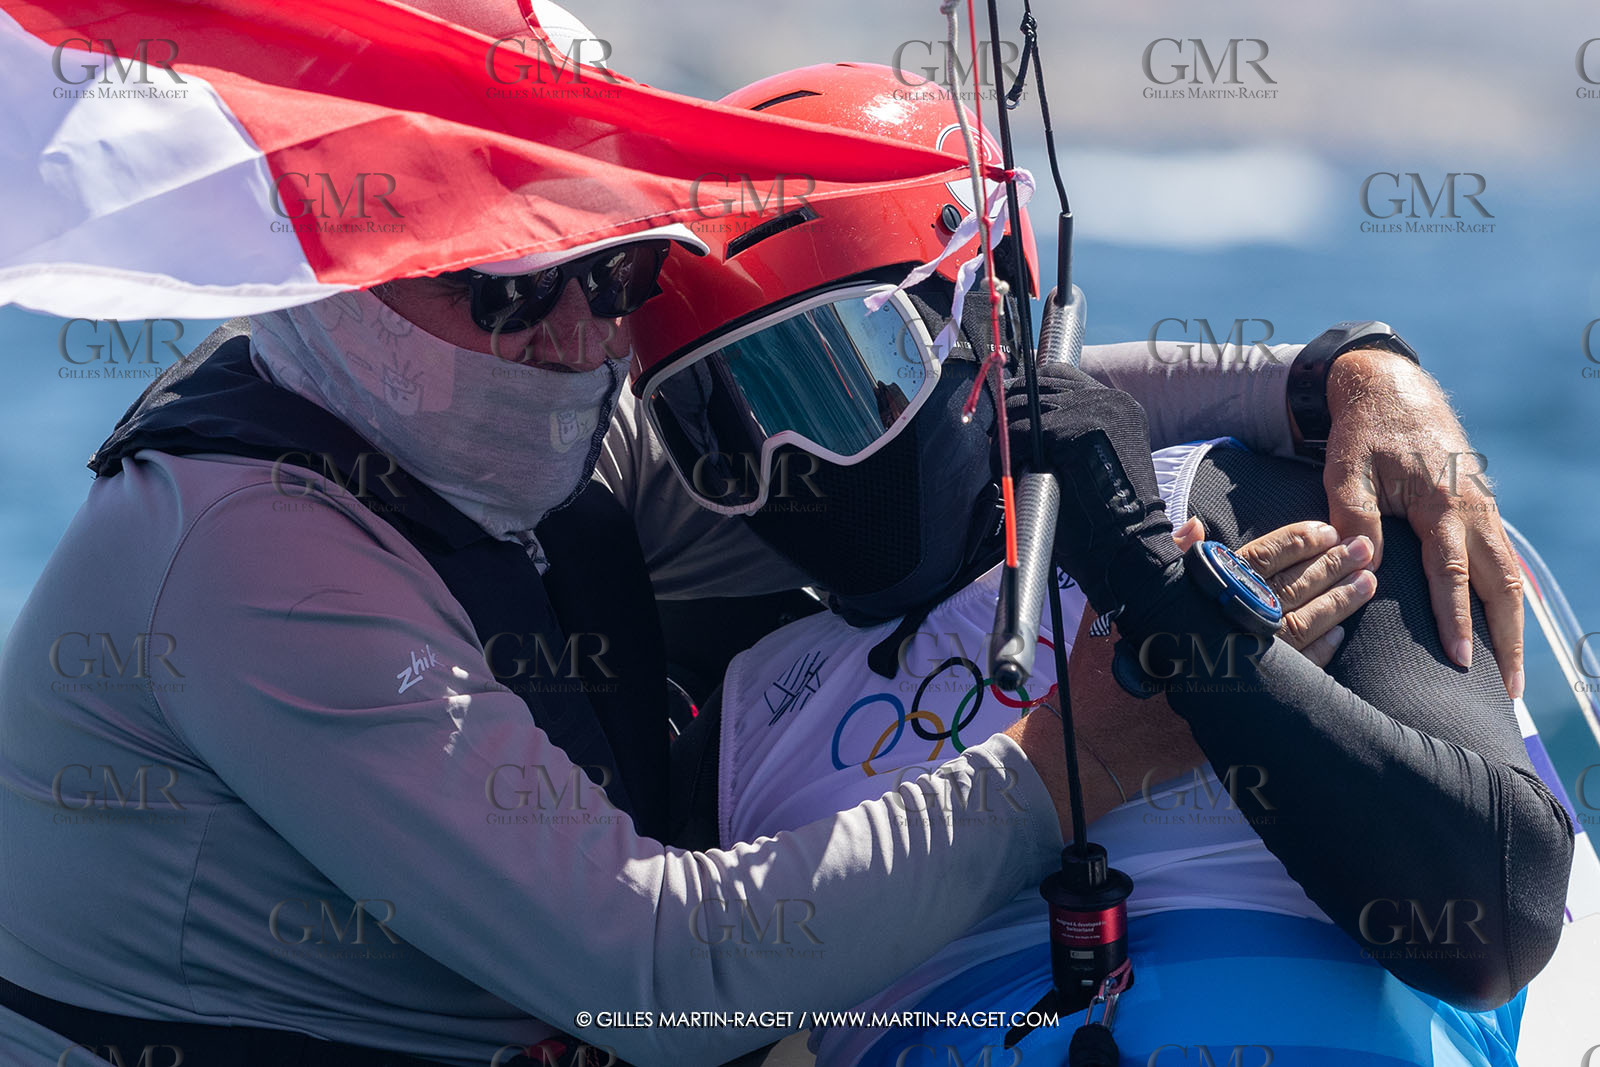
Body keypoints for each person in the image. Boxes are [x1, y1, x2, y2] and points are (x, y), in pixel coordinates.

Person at [0, 4, 1546, 1064]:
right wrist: (1068, 758)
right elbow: (657, 979)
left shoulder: (532, 409)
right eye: (499, 284)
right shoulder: (253, 560)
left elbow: (926, 401)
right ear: (329, 272)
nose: (563, 337)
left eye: (602, 272)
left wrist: (1337, 371)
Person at [627, 64, 1573, 1065]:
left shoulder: (1232, 498)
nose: (794, 464)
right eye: (715, 424)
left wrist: (1149, 579)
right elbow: (659, 1000)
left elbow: (1493, 922)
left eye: (837, 383)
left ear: (986, 309)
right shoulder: (733, 725)